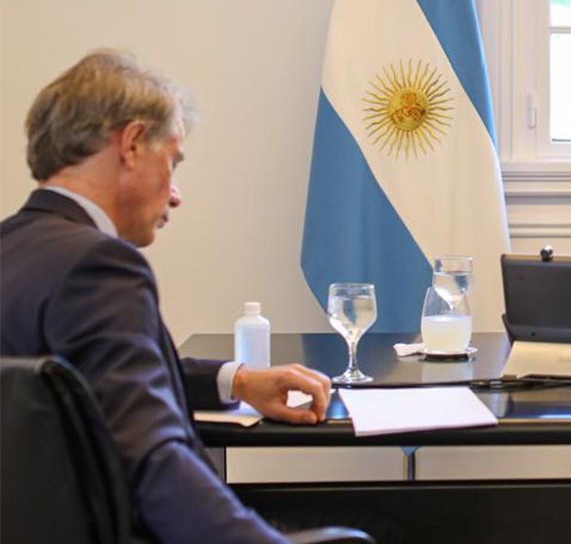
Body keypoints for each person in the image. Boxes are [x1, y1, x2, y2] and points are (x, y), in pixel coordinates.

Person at [2, 51, 338, 543]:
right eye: (172, 162)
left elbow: (89, 383)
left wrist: (237, 381)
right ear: (133, 143)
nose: (176, 194)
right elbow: (153, 462)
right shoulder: (100, 266)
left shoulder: (15, 250)